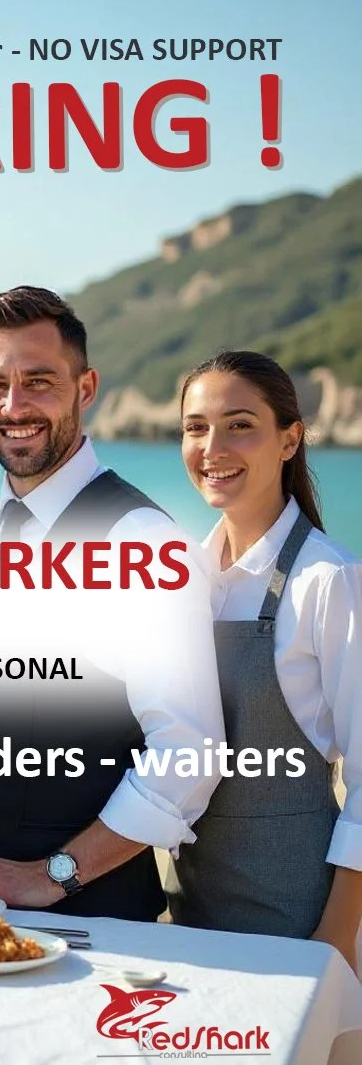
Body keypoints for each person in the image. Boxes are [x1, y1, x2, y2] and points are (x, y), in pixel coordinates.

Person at [0, 286, 224, 921]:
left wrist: (55, 876)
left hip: (97, 928)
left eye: (40, 381)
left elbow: (189, 750)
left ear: (86, 387)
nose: (14, 406)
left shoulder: (142, 540)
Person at [170, 350, 362, 968]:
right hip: (190, 913)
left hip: (299, 919)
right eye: (196, 427)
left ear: (289, 439)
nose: (213, 447)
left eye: (240, 425)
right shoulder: (186, 580)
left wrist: (334, 943)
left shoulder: (328, 579)